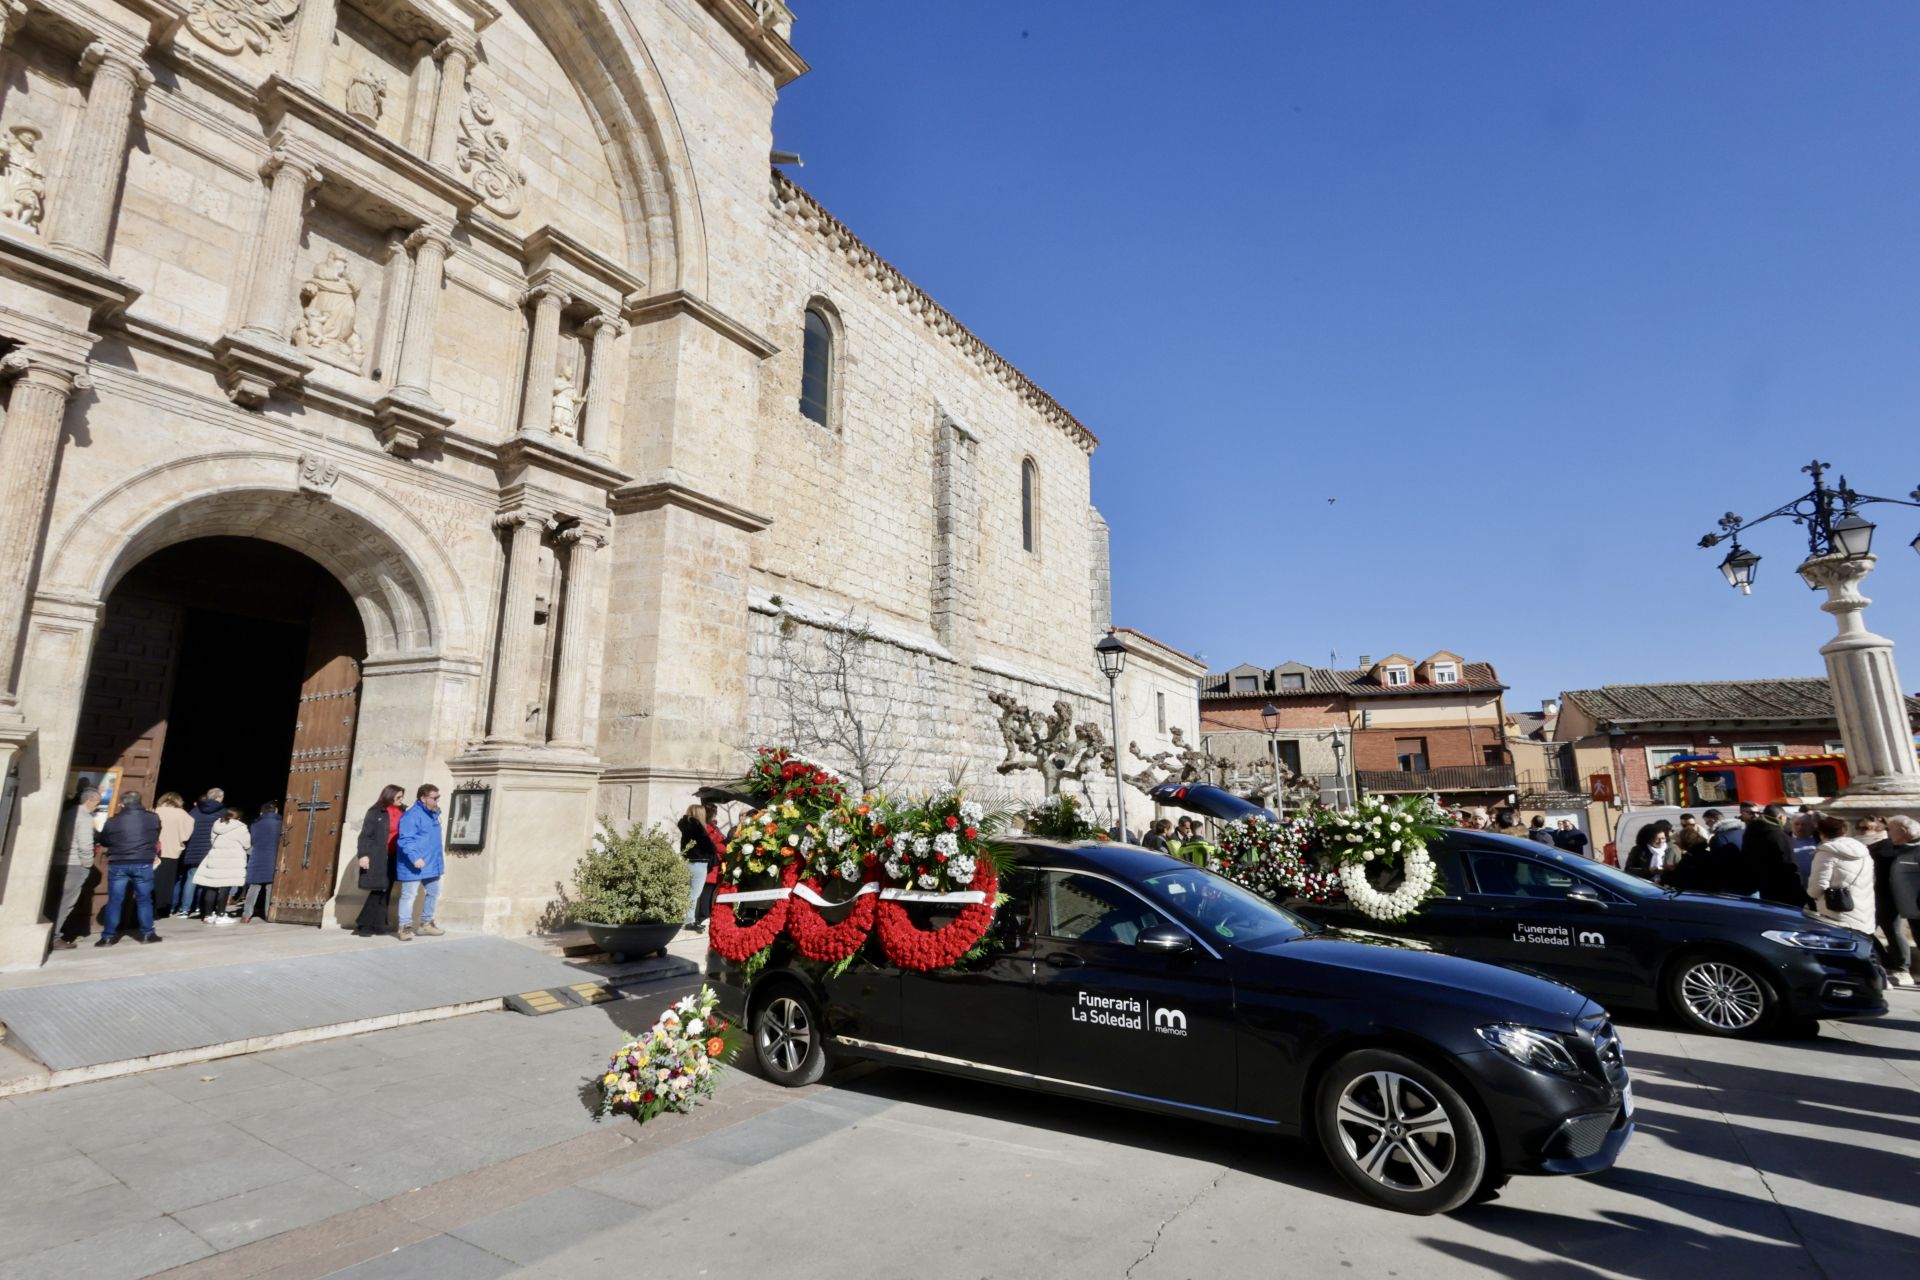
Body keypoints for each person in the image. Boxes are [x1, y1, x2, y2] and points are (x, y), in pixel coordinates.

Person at [95, 790, 162, 946]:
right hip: (143, 861)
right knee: (144, 899)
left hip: (119, 862)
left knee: (115, 900)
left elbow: (105, 841)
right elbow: (155, 836)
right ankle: (147, 934)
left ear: (122, 804)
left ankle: (108, 937)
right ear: (140, 802)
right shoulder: (153, 818)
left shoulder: (113, 821)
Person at [1868, 815, 1919, 986]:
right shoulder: (1896, 848)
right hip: (1906, 905)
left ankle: (1902, 968)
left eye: (1890, 829)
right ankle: (1895, 966)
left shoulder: (1914, 849)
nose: (1887, 833)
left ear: (1903, 831)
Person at [1808, 814, 1876, 940]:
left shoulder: (1825, 853)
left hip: (1837, 912)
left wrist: (1812, 896)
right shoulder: (1863, 850)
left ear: (1822, 833)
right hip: (1864, 908)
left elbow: (1817, 886)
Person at [50, 786, 101, 949]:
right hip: (75, 864)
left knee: (54, 900)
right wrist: (87, 864)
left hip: (59, 861)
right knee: (66, 901)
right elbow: (85, 844)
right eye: (96, 803)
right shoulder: (84, 817)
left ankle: (49, 932)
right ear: (88, 800)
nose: (97, 806)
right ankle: (54, 937)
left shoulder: (67, 813)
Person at [393, 784, 444, 941]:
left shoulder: (432, 814)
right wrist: (415, 857)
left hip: (432, 863)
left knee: (433, 892)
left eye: (438, 798)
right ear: (423, 798)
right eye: (434, 798)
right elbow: (405, 839)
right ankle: (405, 927)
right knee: (409, 895)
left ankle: (426, 924)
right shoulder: (412, 816)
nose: (437, 801)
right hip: (414, 864)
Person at [354, 783, 405, 937]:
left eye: (402, 797)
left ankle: (380, 924)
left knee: (387, 889)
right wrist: (363, 854)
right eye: (398, 797)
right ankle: (365, 924)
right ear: (389, 796)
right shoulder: (376, 812)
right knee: (378, 889)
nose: (401, 800)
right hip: (378, 856)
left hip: (395, 856)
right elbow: (365, 836)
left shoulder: (403, 812)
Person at [1743, 804, 1807, 907]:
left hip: (1763, 888)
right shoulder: (1779, 835)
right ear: (1781, 817)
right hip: (1785, 889)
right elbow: (1790, 865)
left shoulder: (1750, 832)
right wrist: (1799, 890)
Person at [195, 807, 251, 924]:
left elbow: (212, 840)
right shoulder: (241, 827)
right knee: (225, 888)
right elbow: (247, 844)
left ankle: (208, 915)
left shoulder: (217, 824)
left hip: (215, 857)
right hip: (231, 860)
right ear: (239, 818)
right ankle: (221, 914)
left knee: (211, 887)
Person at [177, 788, 226, 918]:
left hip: (194, 849)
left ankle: (185, 909)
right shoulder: (222, 812)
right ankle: (201, 907)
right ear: (219, 798)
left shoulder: (194, 811)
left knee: (191, 878)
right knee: (208, 881)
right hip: (212, 850)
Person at [677, 802, 718, 933]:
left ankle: (687, 918)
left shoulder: (686, 827)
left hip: (689, 862)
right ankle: (690, 921)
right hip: (699, 863)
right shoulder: (698, 828)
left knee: (689, 892)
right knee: (694, 894)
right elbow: (710, 846)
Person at [153, 792, 193, 919]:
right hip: (173, 852)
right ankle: (164, 909)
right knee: (168, 882)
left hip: (154, 852)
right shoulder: (183, 815)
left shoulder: (155, 811)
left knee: (153, 880)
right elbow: (187, 834)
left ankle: (151, 907)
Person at [240, 801, 281, 922]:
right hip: (273, 856)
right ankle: (269, 914)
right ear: (276, 811)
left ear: (261, 812)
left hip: (257, 857)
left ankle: (246, 915)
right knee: (270, 887)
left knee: (253, 887)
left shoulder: (255, 825)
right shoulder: (280, 823)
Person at [698, 802, 726, 928]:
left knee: (710, 891)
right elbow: (713, 846)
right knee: (706, 891)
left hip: (716, 864)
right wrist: (723, 848)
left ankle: (708, 915)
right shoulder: (706, 829)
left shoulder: (713, 828)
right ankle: (704, 916)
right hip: (711, 864)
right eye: (714, 813)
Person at [1788, 813, 1820, 884]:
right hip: (1792, 884)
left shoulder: (1820, 840)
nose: (1800, 827)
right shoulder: (1784, 840)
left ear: (1812, 826)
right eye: (1797, 824)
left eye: (1804, 824)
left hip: (1815, 884)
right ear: (1791, 825)